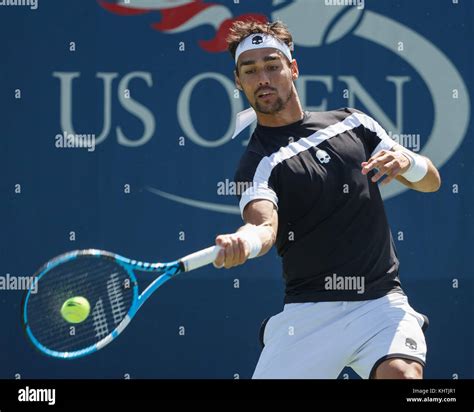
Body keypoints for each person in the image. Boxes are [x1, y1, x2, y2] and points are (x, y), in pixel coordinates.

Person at [213, 20, 441, 379]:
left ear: (293, 68)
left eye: (273, 65)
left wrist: (407, 161)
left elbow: (431, 181)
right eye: (251, 71)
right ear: (238, 82)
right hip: (307, 317)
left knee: (403, 376)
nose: (263, 79)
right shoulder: (257, 163)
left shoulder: (353, 124)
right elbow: (263, 225)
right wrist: (245, 240)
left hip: (380, 304)